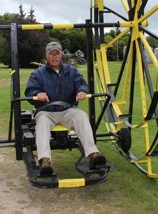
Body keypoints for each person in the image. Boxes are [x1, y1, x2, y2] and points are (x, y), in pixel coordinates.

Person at [25, 41, 106, 176]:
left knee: (81, 115)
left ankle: (93, 154)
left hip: (67, 110)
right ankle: (45, 160)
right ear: (46, 55)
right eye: (51, 54)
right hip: (46, 111)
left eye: (57, 53)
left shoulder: (72, 71)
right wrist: (37, 94)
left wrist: (81, 91)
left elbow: (81, 84)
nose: (54, 57)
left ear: (61, 54)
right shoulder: (38, 74)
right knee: (42, 122)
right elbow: (30, 91)